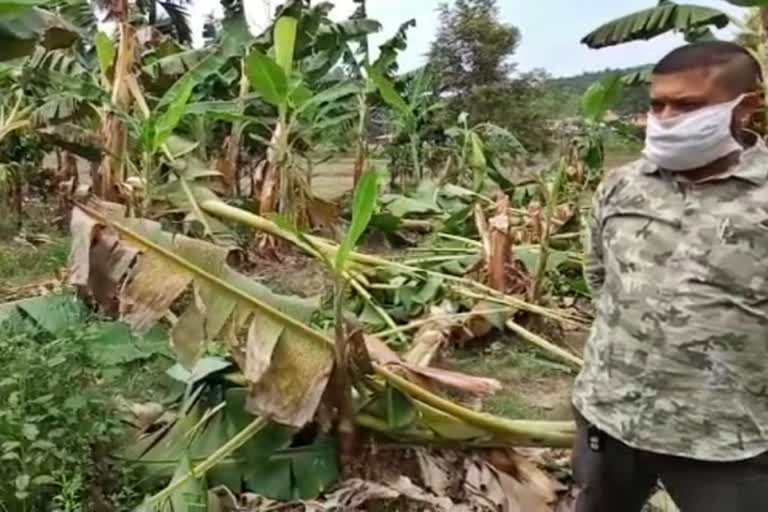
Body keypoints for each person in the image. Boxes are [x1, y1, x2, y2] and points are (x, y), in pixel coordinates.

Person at [572, 40, 768, 512]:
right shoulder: (623, 185)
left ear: (747, 108)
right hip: (609, 413)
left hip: (725, 438)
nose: (666, 118)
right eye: (657, 104)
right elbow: (599, 277)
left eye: (688, 106)